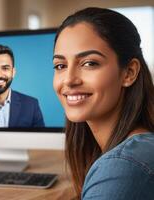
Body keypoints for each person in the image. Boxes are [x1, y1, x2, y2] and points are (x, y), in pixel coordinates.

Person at [53, 7, 154, 200]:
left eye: (89, 63)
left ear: (129, 72)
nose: (69, 80)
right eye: (60, 66)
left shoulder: (124, 165)